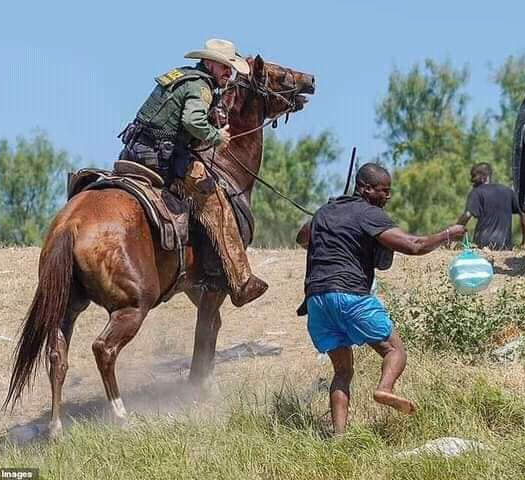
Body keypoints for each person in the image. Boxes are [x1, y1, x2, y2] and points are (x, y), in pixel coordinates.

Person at [296, 163, 466, 435]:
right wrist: (448, 234)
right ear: (364, 188)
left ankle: (339, 437)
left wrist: (328, 216)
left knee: (342, 372)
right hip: (350, 295)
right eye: (383, 190)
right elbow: (414, 245)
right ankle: (385, 389)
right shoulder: (369, 214)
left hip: (317, 300)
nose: (387, 196)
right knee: (394, 350)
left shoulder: (325, 211)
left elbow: (302, 237)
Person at [118, 39, 267, 307]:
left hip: (134, 153)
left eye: (231, 69)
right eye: (225, 67)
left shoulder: (181, 78)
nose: (229, 74)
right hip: (162, 160)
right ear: (209, 63)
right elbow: (191, 120)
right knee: (215, 199)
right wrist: (216, 136)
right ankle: (241, 280)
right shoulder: (201, 87)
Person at [456, 162, 525, 250]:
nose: (473, 182)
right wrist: (524, 241)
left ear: (485, 177)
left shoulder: (476, 192)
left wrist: (455, 232)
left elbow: (467, 215)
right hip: (504, 245)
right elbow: (524, 215)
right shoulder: (508, 191)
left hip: (482, 244)